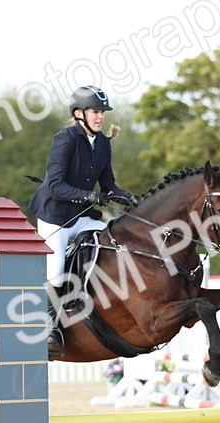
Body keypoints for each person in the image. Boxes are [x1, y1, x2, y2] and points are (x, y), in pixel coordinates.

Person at [27, 86, 139, 354]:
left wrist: (127, 198)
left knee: (117, 240)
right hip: (55, 218)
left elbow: (108, 185)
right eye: (96, 112)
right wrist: (91, 196)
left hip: (83, 217)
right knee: (55, 270)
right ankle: (48, 328)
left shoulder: (102, 143)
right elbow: (55, 186)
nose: (100, 117)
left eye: (102, 112)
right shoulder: (65, 139)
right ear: (79, 114)